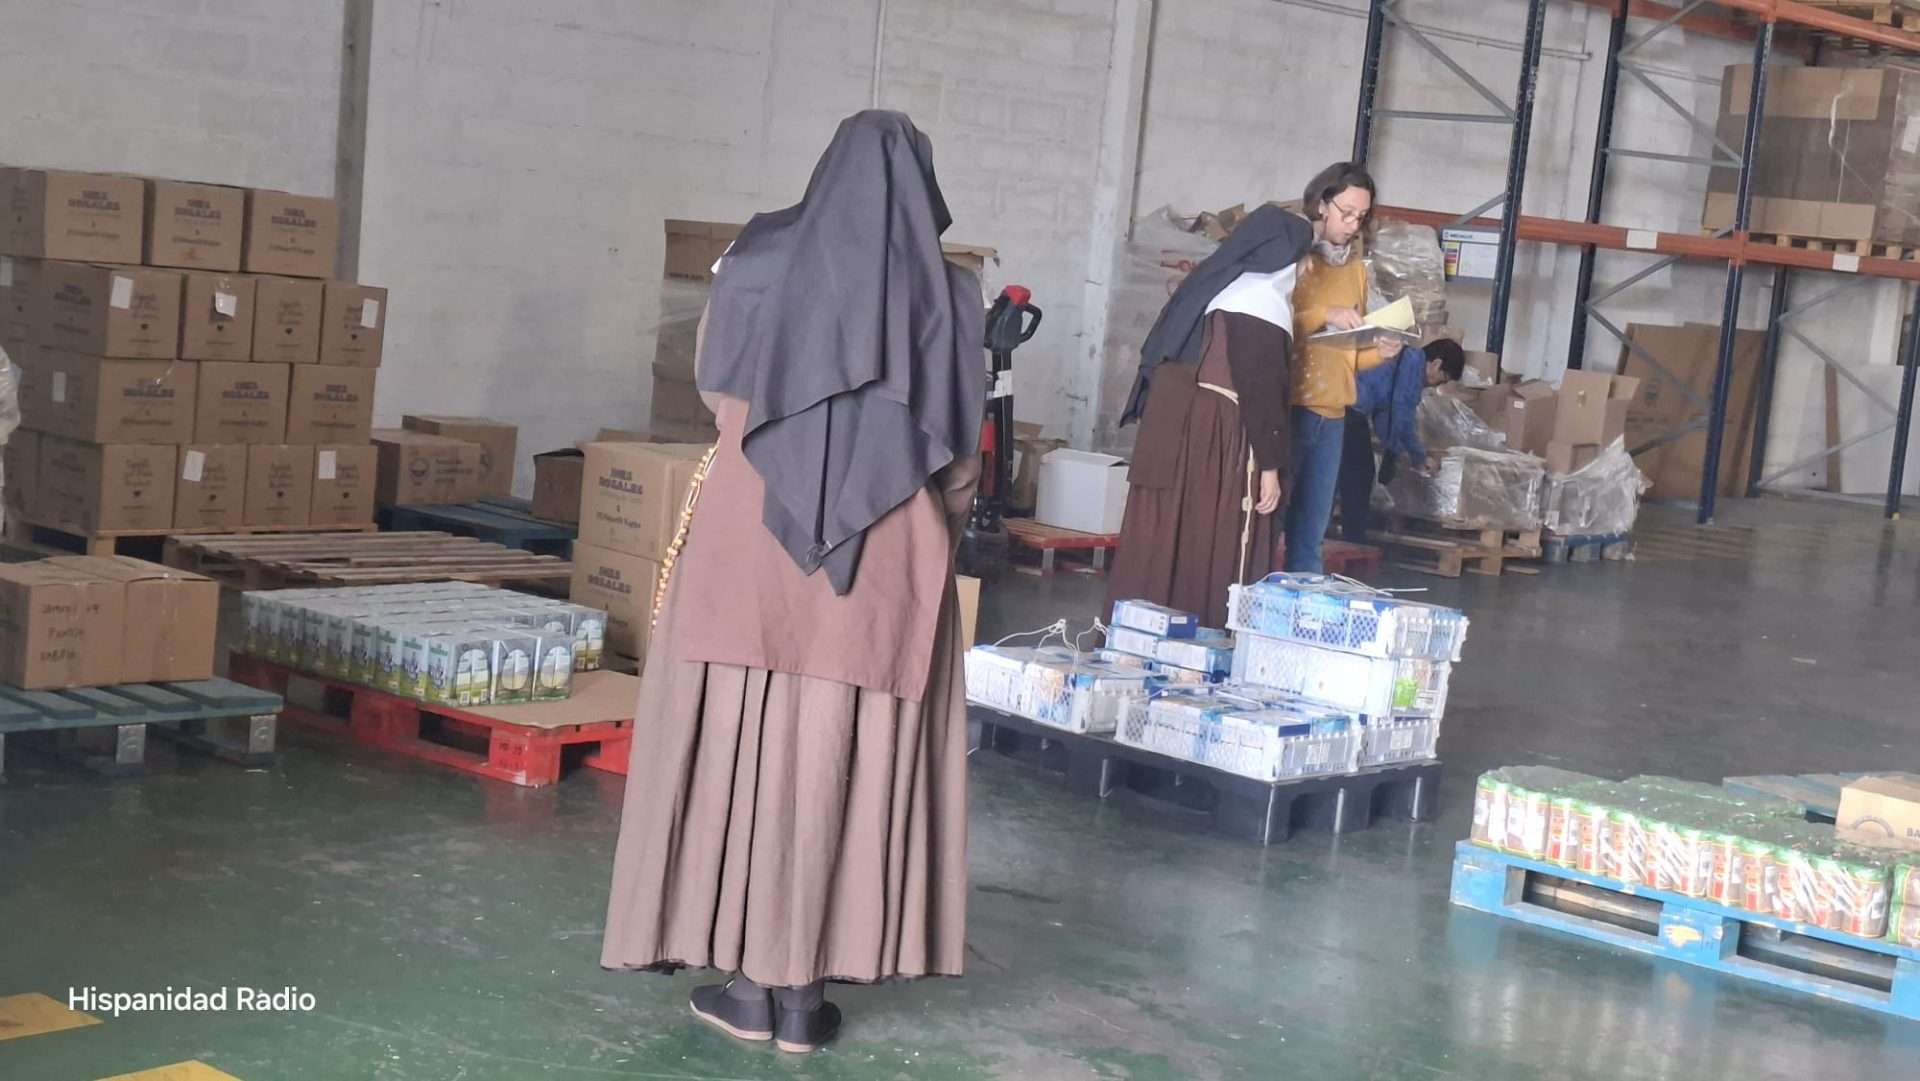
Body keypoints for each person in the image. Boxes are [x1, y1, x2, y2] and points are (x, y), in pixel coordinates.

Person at [600, 111, 982, 1055]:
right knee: (839, 758)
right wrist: (931, 523)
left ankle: (747, 984)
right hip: (888, 553)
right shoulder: (951, 292)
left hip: (750, 538)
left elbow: (712, 388)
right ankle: (805, 999)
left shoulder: (753, 259)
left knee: (745, 748)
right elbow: (961, 459)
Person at [1107, 204, 1313, 628]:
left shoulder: (1213, 287)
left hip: (1170, 428)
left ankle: (1140, 635)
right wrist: (1270, 467)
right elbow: (1261, 395)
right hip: (1214, 434)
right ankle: (1202, 638)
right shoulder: (1260, 305)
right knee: (1208, 535)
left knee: (1162, 540)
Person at [1285, 161, 1389, 574]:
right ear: (1321, 204)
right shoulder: (1294, 258)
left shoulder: (1356, 272)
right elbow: (1270, 323)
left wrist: (1382, 351)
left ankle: (1299, 603)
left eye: (1360, 217)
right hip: (1290, 407)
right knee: (1270, 521)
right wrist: (1324, 314)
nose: (1352, 224)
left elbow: (1348, 354)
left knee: (1311, 535)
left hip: (1333, 413)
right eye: (1346, 213)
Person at [1337, 338, 1468, 542]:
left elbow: (1385, 415)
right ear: (1436, 364)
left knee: (1348, 472)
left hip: (1345, 408)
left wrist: (1394, 449)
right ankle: (1352, 539)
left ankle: (1345, 535)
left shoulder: (1403, 360)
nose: (1435, 386)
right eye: (1441, 380)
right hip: (1347, 411)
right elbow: (1402, 416)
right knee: (1359, 475)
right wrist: (1418, 457)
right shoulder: (1413, 366)